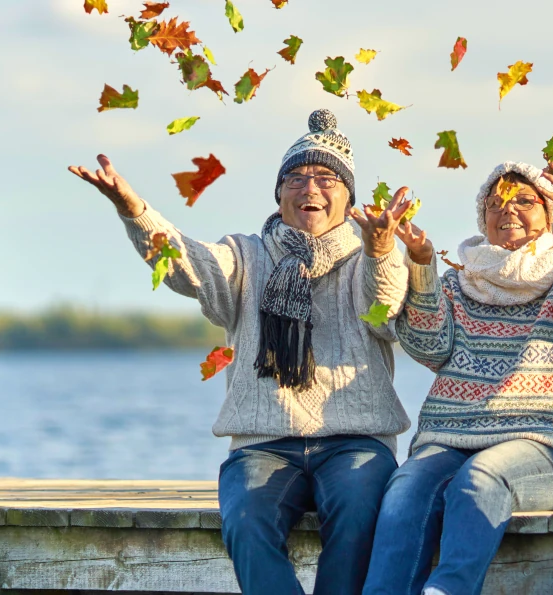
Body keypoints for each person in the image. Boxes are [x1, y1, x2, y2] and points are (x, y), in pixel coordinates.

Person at [67, 109, 415, 595]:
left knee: (361, 517)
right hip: (263, 443)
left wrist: (380, 251)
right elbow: (186, 264)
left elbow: (386, 307)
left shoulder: (371, 256)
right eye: (295, 177)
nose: (308, 188)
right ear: (278, 193)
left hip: (356, 442)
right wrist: (133, 208)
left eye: (324, 178)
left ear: (348, 198)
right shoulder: (247, 255)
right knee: (247, 522)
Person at [362, 157, 553, 595]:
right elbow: (427, 346)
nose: (507, 209)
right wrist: (421, 263)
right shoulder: (458, 283)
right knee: (405, 488)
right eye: (496, 201)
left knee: (482, 476)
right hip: (452, 438)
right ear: (482, 217)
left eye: (524, 200)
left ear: (550, 214)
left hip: (548, 444)